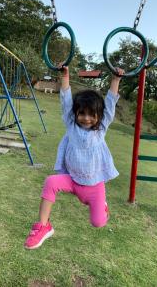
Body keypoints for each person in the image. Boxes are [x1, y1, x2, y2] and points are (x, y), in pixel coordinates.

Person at [24, 66, 124, 249]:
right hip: (72, 180)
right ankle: (43, 226)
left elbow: (109, 104)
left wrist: (115, 80)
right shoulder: (71, 125)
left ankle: (102, 205)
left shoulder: (101, 130)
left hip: (94, 186)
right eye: (82, 113)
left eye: (91, 114)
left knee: (98, 222)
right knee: (50, 182)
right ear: (75, 114)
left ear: (99, 116)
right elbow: (65, 101)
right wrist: (65, 76)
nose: (86, 118)